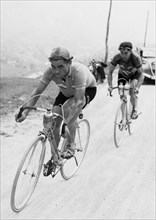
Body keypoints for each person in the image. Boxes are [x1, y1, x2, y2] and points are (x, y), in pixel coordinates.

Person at [15, 47, 97, 170]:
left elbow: (79, 102)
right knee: (53, 123)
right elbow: (38, 91)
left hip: (86, 91)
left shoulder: (79, 72)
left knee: (68, 108)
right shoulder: (50, 72)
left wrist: (67, 123)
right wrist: (25, 111)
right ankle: (55, 157)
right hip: (65, 93)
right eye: (53, 66)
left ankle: (71, 145)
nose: (56, 71)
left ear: (69, 63)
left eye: (60, 66)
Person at [107, 42, 144, 119]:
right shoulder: (117, 57)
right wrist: (110, 85)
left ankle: (134, 110)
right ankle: (123, 117)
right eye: (121, 53)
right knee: (122, 94)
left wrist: (137, 87)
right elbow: (110, 72)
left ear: (130, 51)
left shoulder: (136, 58)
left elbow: (141, 74)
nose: (123, 55)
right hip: (123, 75)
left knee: (131, 91)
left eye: (126, 53)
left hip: (135, 75)